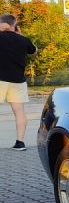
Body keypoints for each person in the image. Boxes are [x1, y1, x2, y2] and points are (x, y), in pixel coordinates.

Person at [0, 14, 36, 151]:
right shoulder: (23, 40)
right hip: (18, 81)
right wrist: (19, 35)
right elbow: (34, 51)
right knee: (19, 111)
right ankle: (20, 143)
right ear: (14, 25)